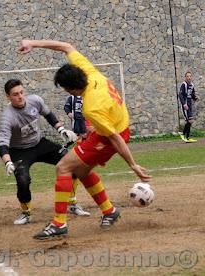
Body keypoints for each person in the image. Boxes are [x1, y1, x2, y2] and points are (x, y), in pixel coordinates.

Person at [18, 39, 151, 239]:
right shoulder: (90, 72)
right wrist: (33, 43)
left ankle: (58, 223)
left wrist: (133, 165)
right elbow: (66, 47)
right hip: (112, 126)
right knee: (80, 169)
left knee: (63, 167)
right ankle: (109, 211)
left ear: (70, 90)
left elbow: (114, 138)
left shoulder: (91, 106)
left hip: (112, 136)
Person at [0, 79, 90, 225]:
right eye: (15, 94)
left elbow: (48, 115)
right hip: (20, 151)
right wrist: (8, 162)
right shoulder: (7, 117)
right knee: (23, 180)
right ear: (8, 97)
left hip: (40, 143)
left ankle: (72, 204)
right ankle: (26, 212)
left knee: (71, 162)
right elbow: (2, 143)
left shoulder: (35, 101)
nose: (20, 96)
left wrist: (61, 129)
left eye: (21, 92)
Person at [179, 71, 199, 143]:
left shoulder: (192, 85)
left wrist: (195, 98)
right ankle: (183, 134)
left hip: (190, 104)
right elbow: (180, 95)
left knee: (190, 121)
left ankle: (187, 137)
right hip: (186, 105)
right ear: (185, 77)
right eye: (187, 76)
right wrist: (184, 104)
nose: (189, 77)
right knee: (189, 120)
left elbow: (192, 94)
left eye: (190, 76)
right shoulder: (184, 84)